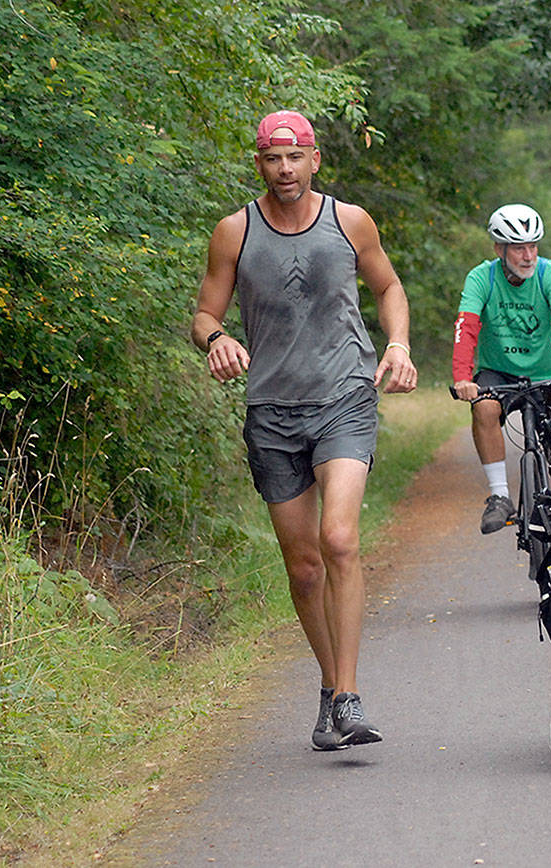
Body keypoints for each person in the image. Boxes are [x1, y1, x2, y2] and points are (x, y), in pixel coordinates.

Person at [191, 110, 417, 749]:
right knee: (304, 565)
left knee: (339, 538)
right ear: (259, 162)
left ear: (315, 159)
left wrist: (397, 345)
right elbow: (206, 312)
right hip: (272, 410)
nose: (284, 169)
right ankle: (328, 684)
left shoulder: (349, 221)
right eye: (272, 158)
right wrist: (217, 338)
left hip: (343, 397)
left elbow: (389, 285)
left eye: (295, 157)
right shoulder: (235, 232)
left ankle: (348, 696)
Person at [452, 204, 551, 534]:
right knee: (483, 407)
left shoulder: (549, 273)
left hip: (547, 370)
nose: (528, 256)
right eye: (519, 248)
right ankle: (499, 497)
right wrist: (463, 377)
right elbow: (467, 326)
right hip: (499, 371)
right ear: (499, 249)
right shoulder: (482, 277)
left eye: (533, 246)